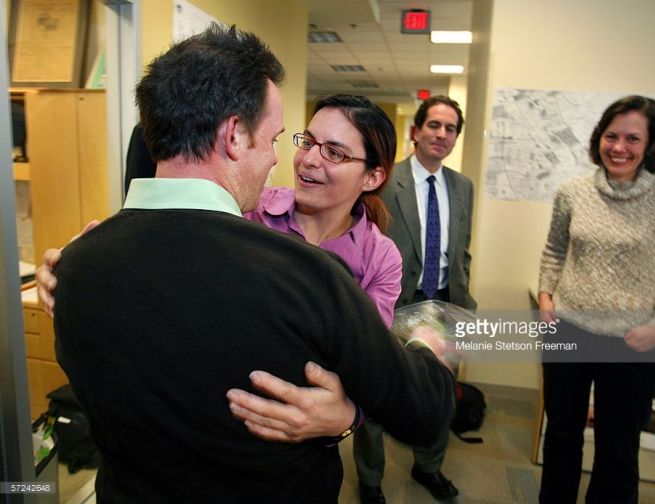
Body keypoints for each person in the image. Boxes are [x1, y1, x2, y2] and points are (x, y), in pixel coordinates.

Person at [50, 24, 455, 503]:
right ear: (234, 135)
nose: (284, 161)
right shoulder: (308, 276)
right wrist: (429, 345)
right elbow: (420, 407)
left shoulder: (74, 268)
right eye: (278, 140)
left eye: (334, 152)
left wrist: (346, 416)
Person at [537, 95, 655, 503]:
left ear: (651, 144)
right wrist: (546, 297)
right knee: (561, 437)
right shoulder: (572, 192)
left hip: (631, 343)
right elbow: (554, 250)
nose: (619, 147)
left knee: (618, 450)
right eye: (611, 136)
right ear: (599, 138)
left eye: (632, 138)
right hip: (568, 332)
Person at [350, 95, 477, 503]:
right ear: (417, 131)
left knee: (438, 395)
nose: (442, 134)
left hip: (444, 306)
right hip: (393, 304)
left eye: (450, 128)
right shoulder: (387, 179)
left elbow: (462, 251)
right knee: (377, 394)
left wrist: (464, 301)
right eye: (434, 125)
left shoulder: (463, 187)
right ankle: (370, 479)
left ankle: (428, 467)